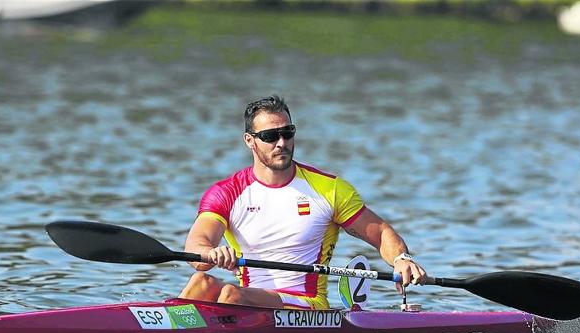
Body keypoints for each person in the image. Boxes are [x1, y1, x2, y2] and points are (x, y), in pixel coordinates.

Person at [179, 95, 426, 310]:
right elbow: (196, 249)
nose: (281, 143)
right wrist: (212, 253)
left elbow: (381, 233)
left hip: (306, 303)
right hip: (246, 298)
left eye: (287, 133)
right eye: (270, 136)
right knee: (201, 282)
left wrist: (401, 258)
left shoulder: (328, 190)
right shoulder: (227, 193)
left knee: (230, 295)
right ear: (249, 140)